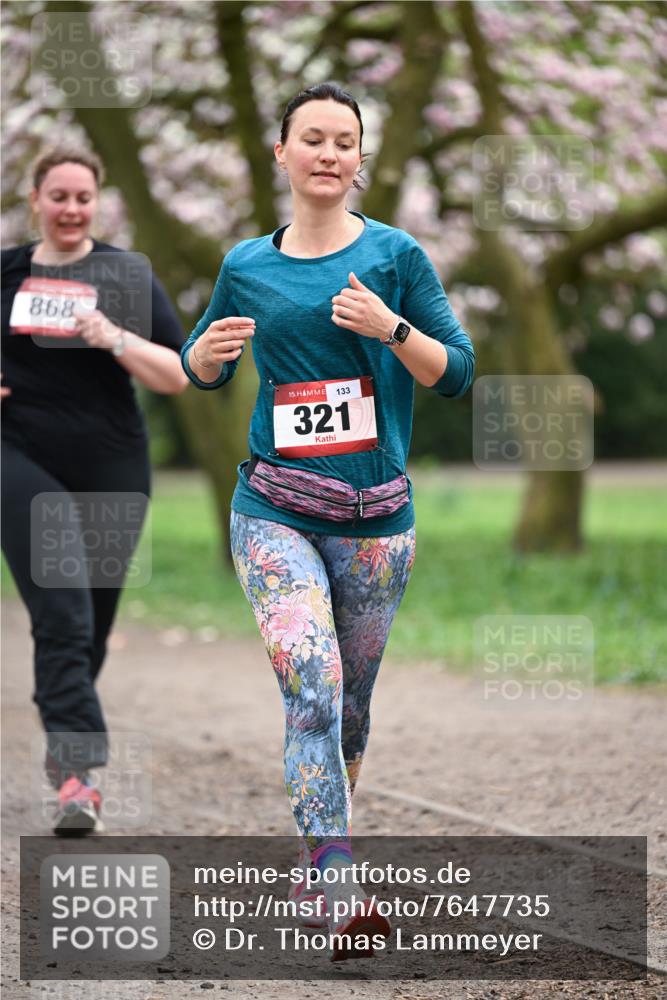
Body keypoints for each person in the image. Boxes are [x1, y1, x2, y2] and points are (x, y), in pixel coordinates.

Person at [181, 83, 475, 959]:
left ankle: (320, 850)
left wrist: (390, 329)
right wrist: (201, 356)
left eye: (343, 141)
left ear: (358, 160)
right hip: (272, 509)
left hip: (376, 521)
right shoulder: (246, 264)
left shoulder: (395, 256)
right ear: (281, 153)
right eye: (311, 138)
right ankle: (336, 885)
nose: (327, 153)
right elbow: (202, 362)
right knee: (310, 682)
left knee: (348, 707)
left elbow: (454, 372)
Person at [1, 146, 188, 833]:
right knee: (63, 613)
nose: (72, 209)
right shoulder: (8, 272)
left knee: (92, 625)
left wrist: (113, 337)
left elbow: (177, 372)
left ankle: (63, 732)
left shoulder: (124, 273)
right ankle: (80, 779)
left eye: (84, 197)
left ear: (98, 201)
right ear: (35, 200)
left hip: (112, 463)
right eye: (59, 196)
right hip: (17, 454)